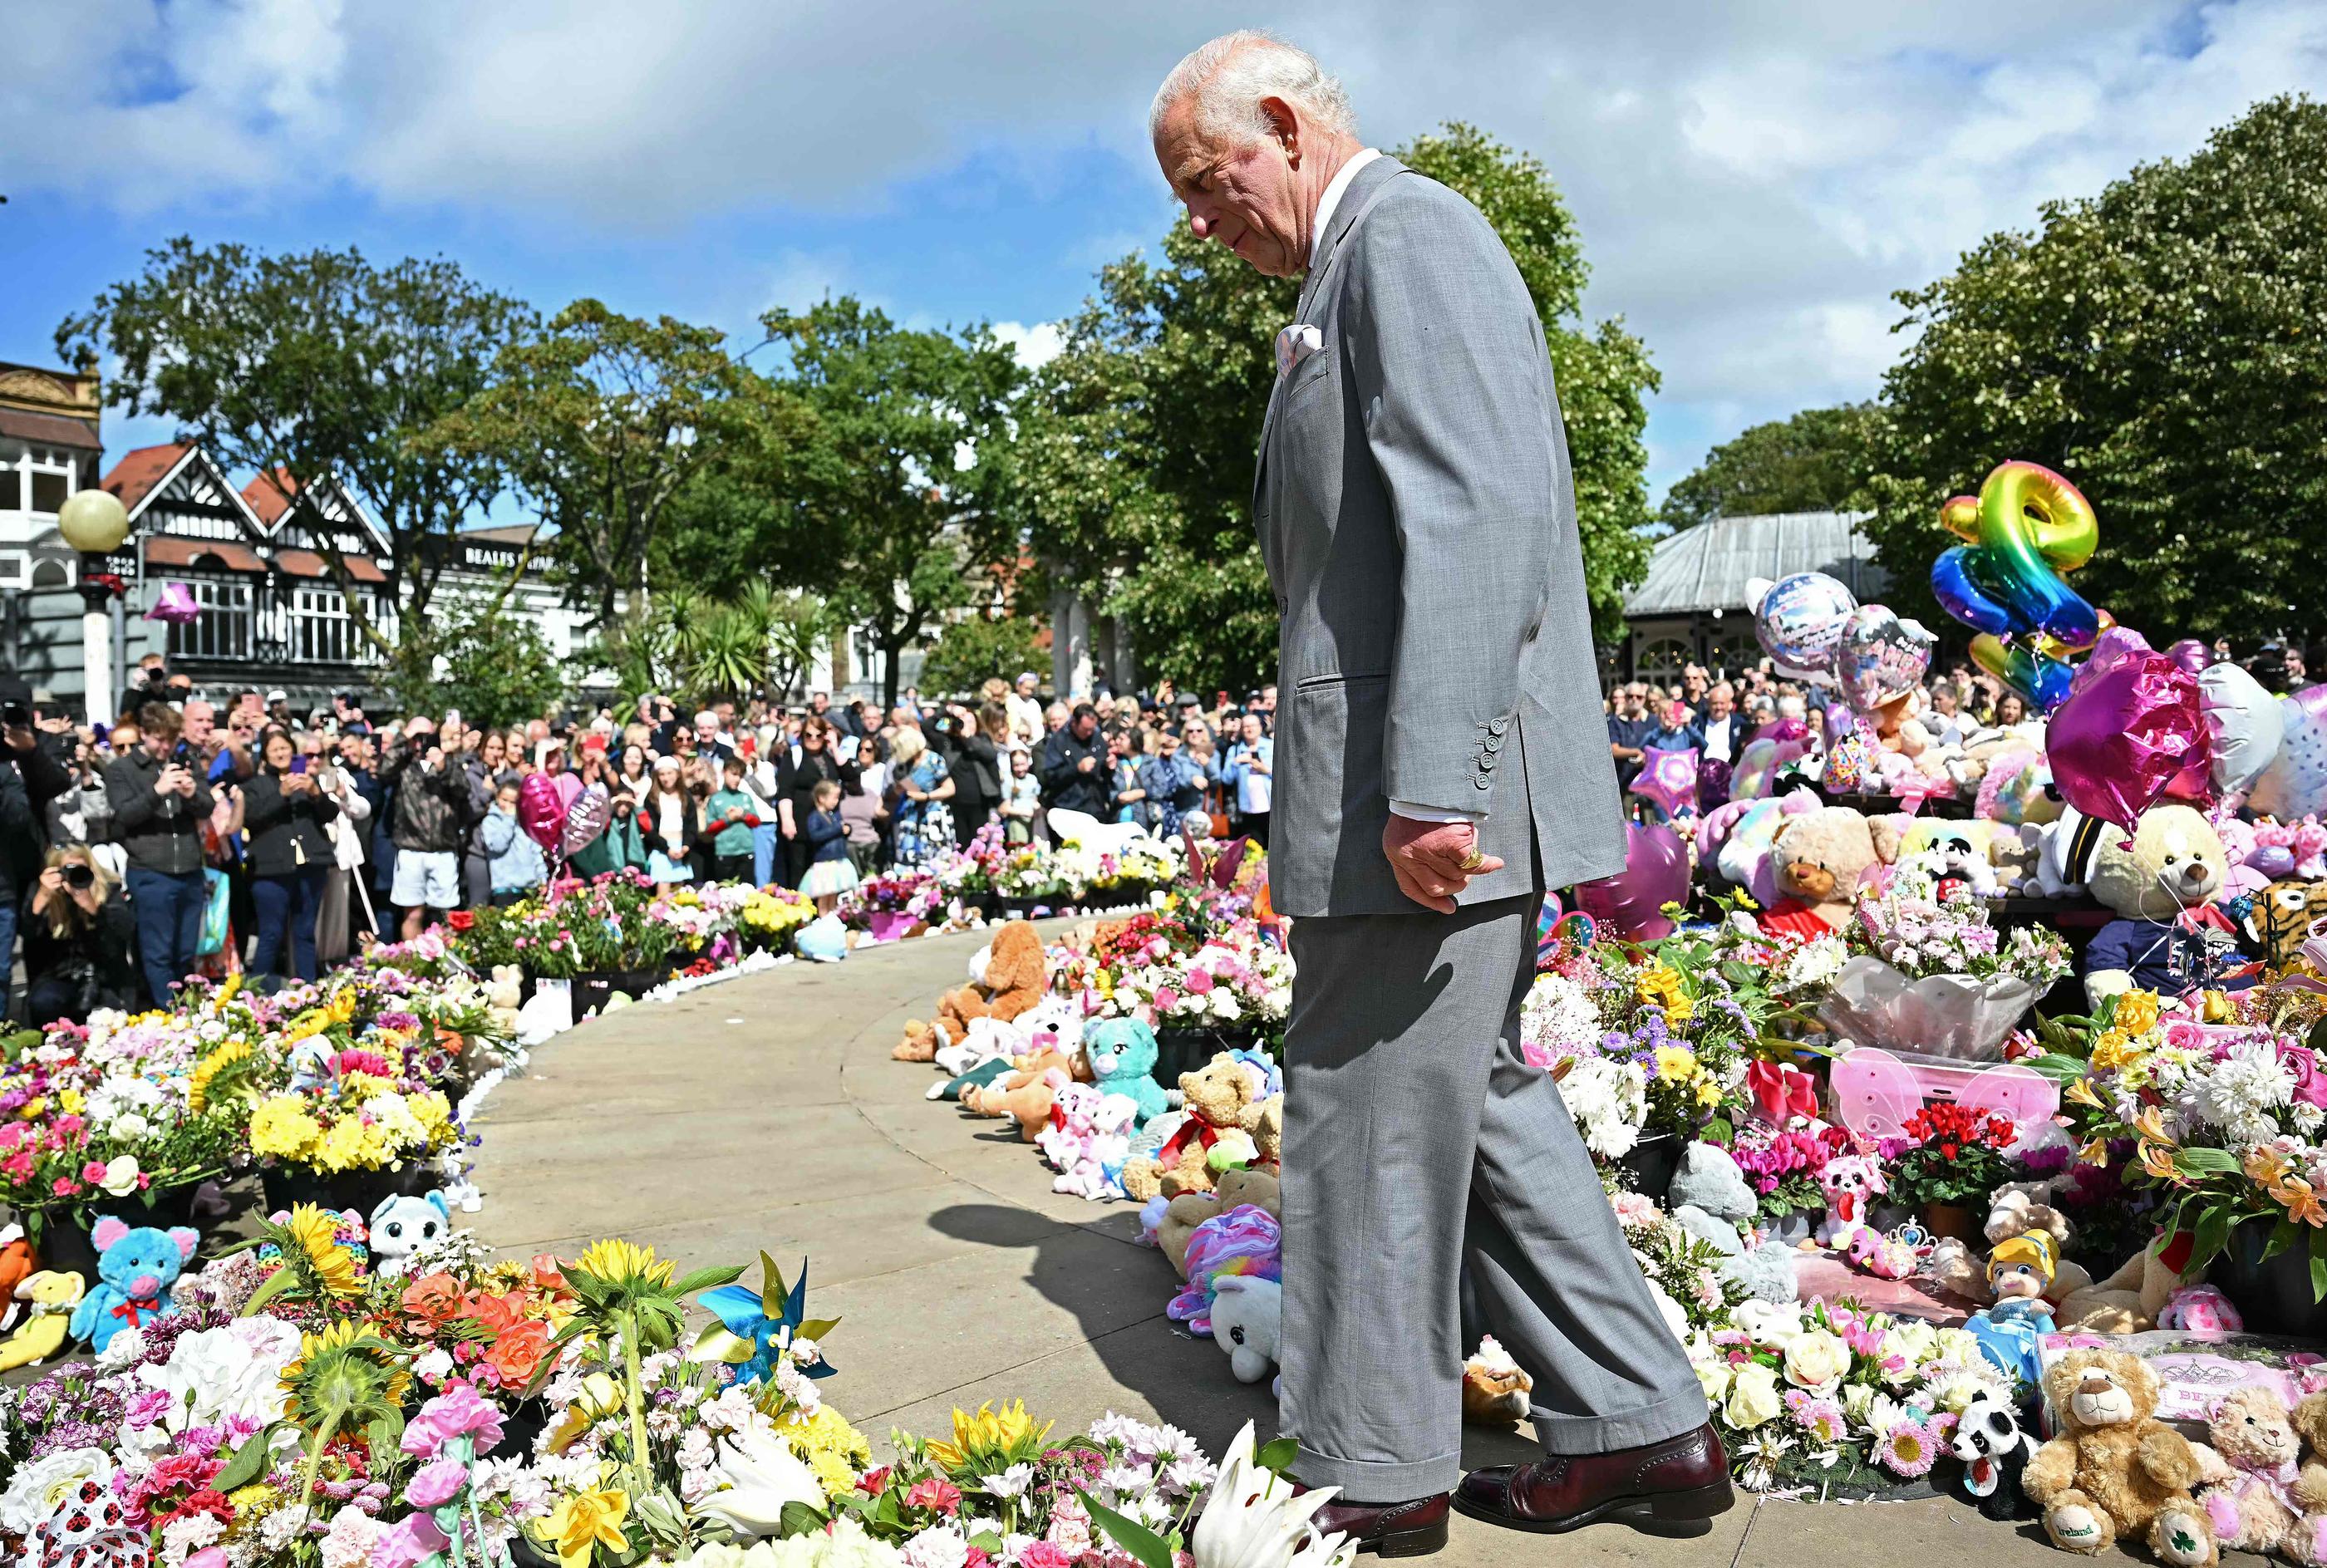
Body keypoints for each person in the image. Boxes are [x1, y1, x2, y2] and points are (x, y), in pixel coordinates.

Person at [1149, 32, 1722, 1550]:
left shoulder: (1407, 238)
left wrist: (1431, 787)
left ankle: (1372, 1463)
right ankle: (1643, 1426)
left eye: (1214, 184)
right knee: (1460, 1100)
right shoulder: (1366, 265)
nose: (1208, 225)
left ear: (1284, 121)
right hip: (1405, 778)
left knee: (1360, 1113)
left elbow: (1478, 516)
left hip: (1415, 793)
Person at [105, 702, 216, 1005]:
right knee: (158, 952)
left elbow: (208, 807)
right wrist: (158, 790)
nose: (166, 747)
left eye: (172, 739)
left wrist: (192, 793)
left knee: (185, 951)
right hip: (151, 872)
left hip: (191, 870)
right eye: (159, 739)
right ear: (144, 734)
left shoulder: (187, 760)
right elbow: (123, 817)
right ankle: (167, 1015)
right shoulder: (122, 770)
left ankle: (185, 1010)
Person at [241, 726, 339, 983]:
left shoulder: (308, 779)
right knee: (271, 933)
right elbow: (251, 818)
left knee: (305, 931)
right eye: (274, 750)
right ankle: (258, 991)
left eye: (285, 748)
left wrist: (316, 794)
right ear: (265, 756)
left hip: (311, 864)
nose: (281, 753)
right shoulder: (255, 785)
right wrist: (281, 795)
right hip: (271, 870)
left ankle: (308, 988)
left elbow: (331, 814)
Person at [1, 686, 72, 1015]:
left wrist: (29, 751)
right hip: (3, 873)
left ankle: (39, 1034)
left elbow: (58, 783)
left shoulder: (40, 742)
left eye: (19, 712)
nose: (13, 720)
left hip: (36, 869)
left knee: (41, 962)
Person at [20, 844, 136, 1026]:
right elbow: (28, 935)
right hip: (60, 975)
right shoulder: (43, 892)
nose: (74, 876)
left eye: (81, 869)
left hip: (104, 974)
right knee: (44, 1002)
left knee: (112, 1017)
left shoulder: (108, 889)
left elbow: (121, 937)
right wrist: (42, 898)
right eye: (67, 870)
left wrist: (94, 909)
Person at [381, 717, 475, 941]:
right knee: (413, 914)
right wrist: (405, 736)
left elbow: (463, 790)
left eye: (426, 736)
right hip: (411, 848)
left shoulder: (449, 763)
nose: (421, 742)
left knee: (445, 916)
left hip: (443, 849)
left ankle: (445, 968)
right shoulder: (405, 766)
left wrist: (443, 766)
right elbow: (384, 770)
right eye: (417, 737)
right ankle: (414, 969)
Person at [307, 732, 375, 966]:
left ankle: (333, 966)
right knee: (312, 920)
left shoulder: (336, 775)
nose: (315, 761)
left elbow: (363, 810)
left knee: (337, 920)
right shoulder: (294, 778)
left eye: (319, 755)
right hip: (308, 857)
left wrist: (344, 795)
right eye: (308, 755)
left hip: (340, 858)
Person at [782, 719, 843, 887]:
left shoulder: (829, 756)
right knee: (799, 872)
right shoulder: (794, 755)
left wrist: (835, 748)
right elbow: (785, 791)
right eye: (809, 735)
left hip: (826, 826)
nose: (814, 739)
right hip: (800, 823)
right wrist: (787, 820)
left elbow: (850, 777)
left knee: (824, 875)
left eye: (819, 735)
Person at [886, 726, 954, 868]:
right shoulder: (904, 765)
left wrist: (926, 796)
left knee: (935, 863)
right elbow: (904, 791)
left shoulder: (933, 760)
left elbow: (949, 789)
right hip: (911, 818)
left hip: (933, 817)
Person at [479, 776, 548, 906]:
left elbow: (535, 850)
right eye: (504, 800)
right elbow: (497, 846)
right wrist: (509, 820)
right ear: (497, 797)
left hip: (530, 887)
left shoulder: (525, 822)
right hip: (506, 888)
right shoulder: (491, 821)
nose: (508, 806)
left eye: (513, 802)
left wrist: (542, 878)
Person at [1036, 704, 1109, 817]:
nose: (1089, 733)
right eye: (1085, 729)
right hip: (1069, 808)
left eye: (1092, 729)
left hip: (1095, 806)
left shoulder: (1096, 736)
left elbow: (1104, 766)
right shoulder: (1058, 741)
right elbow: (1050, 776)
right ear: (1074, 723)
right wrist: (1077, 768)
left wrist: (1109, 765)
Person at [798, 778, 858, 912]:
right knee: (824, 894)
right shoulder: (815, 817)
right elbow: (815, 836)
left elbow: (841, 829)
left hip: (838, 860)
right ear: (821, 798)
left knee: (834, 894)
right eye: (834, 798)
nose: (836, 801)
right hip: (824, 863)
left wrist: (847, 830)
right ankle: (823, 917)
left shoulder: (835, 815)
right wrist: (837, 829)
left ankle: (832, 917)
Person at [641, 755, 699, 886]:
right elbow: (649, 828)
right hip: (662, 849)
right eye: (662, 774)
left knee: (680, 894)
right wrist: (666, 848)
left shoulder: (685, 797)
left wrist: (686, 846)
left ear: (677, 774)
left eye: (669, 773)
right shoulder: (652, 798)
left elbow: (692, 825)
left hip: (680, 848)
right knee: (663, 890)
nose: (666, 778)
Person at [1219, 711, 1273, 845]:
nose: (1250, 729)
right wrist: (1236, 762)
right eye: (1246, 726)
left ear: (1260, 727)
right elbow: (1226, 779)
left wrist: (1264, 769)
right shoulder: (1235, 750)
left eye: (1253, 725)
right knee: (1253, 848)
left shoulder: (1272, 746)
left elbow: (1284, 775)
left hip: (1271, 806)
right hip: (1247, 808)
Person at [704, 757, 760, 883]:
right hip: (725, 851)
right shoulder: (716, 799)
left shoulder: (745, 797)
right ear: (724, 772)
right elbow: (710, 828)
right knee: (725, 892)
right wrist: (728, 819)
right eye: (733, 774)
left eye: (740, 776)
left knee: (748, 890)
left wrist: (743, 815)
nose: (737, 779)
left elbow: (757, 822)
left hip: (746, 850)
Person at [838, 761, 888, 874]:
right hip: (851, 844)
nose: (857, 782)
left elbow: (882, 815)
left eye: (858, 778)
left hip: (871, 842)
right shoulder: (839, 798)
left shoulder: (870, 794)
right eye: (853, 780)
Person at [1000, 743, 1041, 846]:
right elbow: (1004, 808)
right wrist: (1025, 812)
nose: (1020, 769)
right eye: (1016, 765)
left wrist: (1037, 808)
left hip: (1032, 822)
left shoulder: (1032, 779)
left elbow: (1035, 800)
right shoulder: (1009, 781)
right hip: (1017, 823)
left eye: (1023, 764)